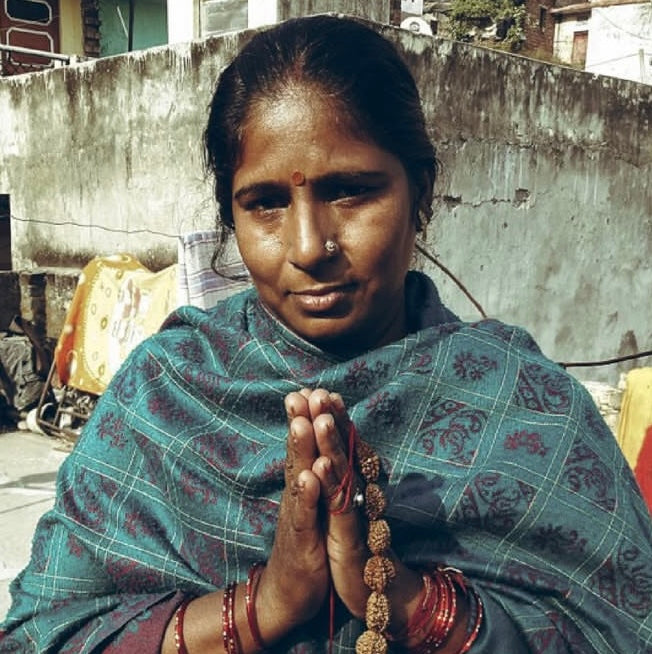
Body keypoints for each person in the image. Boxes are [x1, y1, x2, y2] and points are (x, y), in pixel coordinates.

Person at [1, 14, 651, 654]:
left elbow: (626, 632)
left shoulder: (530, 408)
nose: (309, 247)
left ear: (421, 193)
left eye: (349, 191)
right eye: (265, 204)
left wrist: (412, 604)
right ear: (230, 215)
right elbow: (43, 634)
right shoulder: (162, 395)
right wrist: (267, 606)